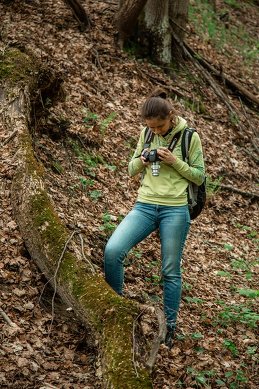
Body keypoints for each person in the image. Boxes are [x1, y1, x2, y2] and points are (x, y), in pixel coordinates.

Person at [104, 88, 205, 348]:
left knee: (170, 271)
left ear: (171, 116)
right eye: (152, 127)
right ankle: (117, 310)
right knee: (113, 250)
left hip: (175, 209)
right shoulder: (147, 133)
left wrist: (174, 161)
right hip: (145, 205)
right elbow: (129, 169)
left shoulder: (189, 137)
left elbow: (199, 176)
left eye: (160, 126)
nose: (157, 132)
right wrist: (143, 160)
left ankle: (169, 328)